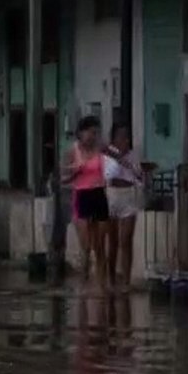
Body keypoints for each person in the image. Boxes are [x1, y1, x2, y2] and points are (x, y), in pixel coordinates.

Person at [61, 116, 110, 289]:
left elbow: (117, 161)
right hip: (81, 195)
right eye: (90, 133)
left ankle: (102, 285)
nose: (93, 137)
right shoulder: (72, 152)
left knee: (100, 245)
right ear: (81, 133)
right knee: (86, 246)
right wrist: (76, 172)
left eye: (96, 133)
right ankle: (84, 282)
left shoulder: (101, 149)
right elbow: (63, 179)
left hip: (99, 193)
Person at [103, 123, 143, 291]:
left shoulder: (134, 156)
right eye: (121, 137)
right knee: (112, 241)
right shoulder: (107, 156)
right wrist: (117, 157)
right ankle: (111, 278)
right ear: (114, 139)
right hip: (112, 197)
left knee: (126, 240)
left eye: (127, 137)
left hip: (129, 197)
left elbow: (139, 176)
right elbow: (108, 175)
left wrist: (136, 170)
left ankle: (126, 280)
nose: (125, 140)